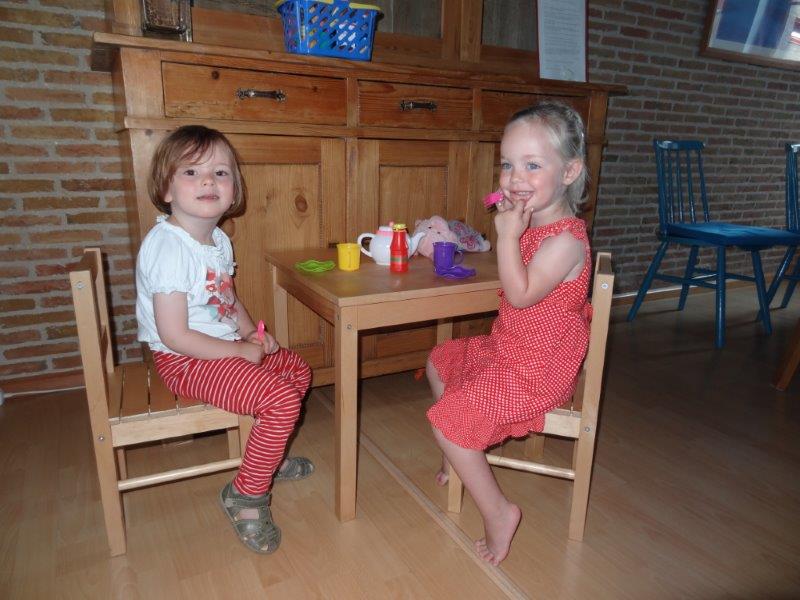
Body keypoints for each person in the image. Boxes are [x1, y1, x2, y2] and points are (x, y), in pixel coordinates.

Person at [426, 101, 592, 565]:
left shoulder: (565, 240)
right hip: (509, 349)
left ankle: (499, 511)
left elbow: (518, 295)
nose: (515, 178)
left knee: (448, 422)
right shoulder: (532, 224)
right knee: (439, 360)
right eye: (507, 165)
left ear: (569, 171)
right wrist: (510, 235)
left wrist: (505, 238)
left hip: (536, 369)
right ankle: (458, 455)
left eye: (532, 165)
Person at [135, 125, 313, 555]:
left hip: (222, 350)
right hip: (185, 361)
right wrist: (237, 350)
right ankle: (246, 496)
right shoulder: (168, 248)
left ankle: (266, 458)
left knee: (297, 369)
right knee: (281, 399)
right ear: (166, 189)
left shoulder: (216, 239)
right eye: (191, 172)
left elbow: (226, 299)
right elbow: (174, 335)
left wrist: (249, 333)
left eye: (220, 172)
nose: (208, 181)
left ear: (234, 190)